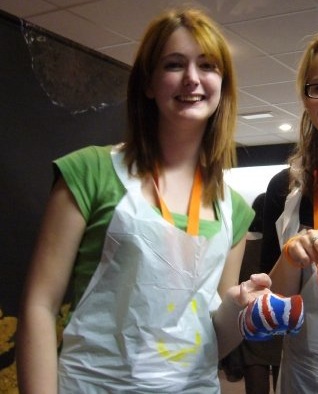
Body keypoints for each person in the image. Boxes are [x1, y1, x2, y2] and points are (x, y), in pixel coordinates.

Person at [15, 7, 272, 394]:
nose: (192, 78)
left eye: (207, 66)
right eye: (173, 64)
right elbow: (39, 306)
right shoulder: (90, 173)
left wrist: (239, 307)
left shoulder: (233, 209)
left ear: (223, 84)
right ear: (149, 83)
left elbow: (213, 338)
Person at [262, 34, 318, 393]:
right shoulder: (286, 187)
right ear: (305, 98)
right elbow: (271, 307)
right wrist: (290, 257)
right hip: (304, 373)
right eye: (317, 86)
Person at [239, 193, 282, 394]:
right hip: (280, 320)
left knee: (256, 384)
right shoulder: (282, 247)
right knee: (285, 382)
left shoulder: (242, 246)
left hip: (252, 323)